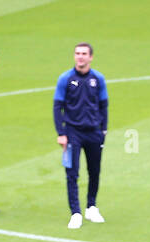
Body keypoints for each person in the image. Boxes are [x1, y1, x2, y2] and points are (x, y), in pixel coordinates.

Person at [53, 42, 108, 229]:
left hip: (93, 132)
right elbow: (57, 106)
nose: (80, 56)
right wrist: (61, 133)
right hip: (72, 133)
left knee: (94, 171)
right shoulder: (65, 79)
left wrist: (104, 130)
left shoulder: (98, 79)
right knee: (71, 172)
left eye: (84, 53)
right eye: (77, 53)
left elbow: (104, 105)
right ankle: (75, 213)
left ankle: (91, 206)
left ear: (91, 57)